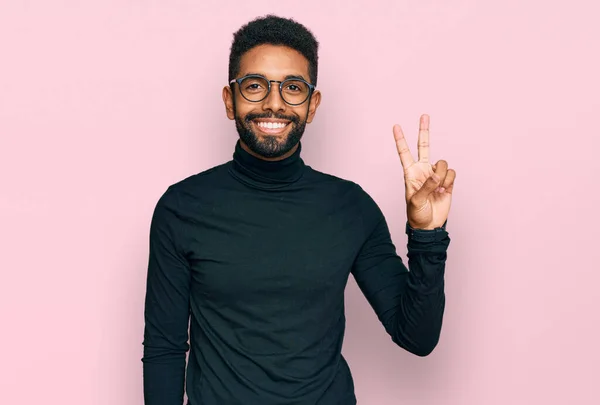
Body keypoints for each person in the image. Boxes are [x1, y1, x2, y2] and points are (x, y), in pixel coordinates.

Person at [141, 14, 456, 405]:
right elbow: (165, 348)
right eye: (255, 86)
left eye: (293, 87)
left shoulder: (350, 207)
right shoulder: (182, 208)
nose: (274, 104)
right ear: (229, 100)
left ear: (312, 105)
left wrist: (427, 236)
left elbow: (417, 337)